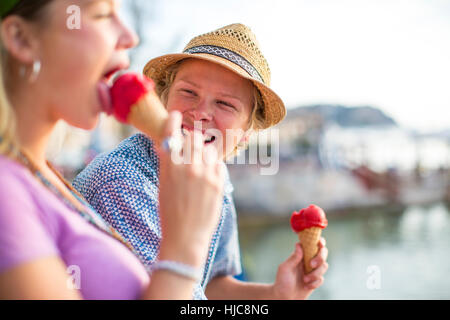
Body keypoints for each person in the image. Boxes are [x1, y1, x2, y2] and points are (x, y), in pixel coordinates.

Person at [73, 23, 329, 300]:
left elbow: (209, 284)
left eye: (225, 104)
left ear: (245, 133)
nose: (200, 112)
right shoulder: (123, 182)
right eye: (188, 92)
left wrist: (278, 295)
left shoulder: (214, 174)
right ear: (164, 99)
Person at [0, 0, 225, 300]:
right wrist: (183, 251)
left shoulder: (40, 174)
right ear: (21, 38)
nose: (130, 37)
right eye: (102, 13)